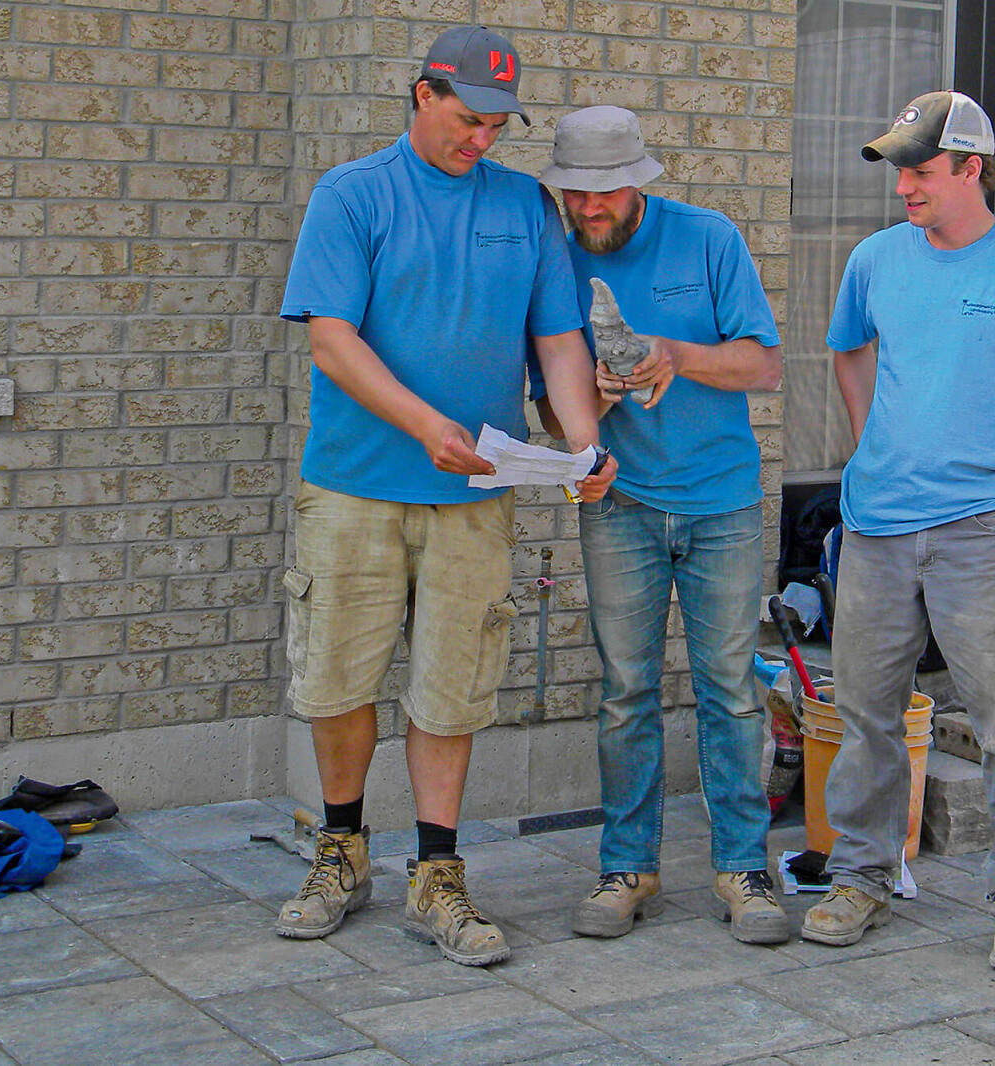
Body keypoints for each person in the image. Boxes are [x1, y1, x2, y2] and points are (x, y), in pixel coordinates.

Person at [275, 26, 614, 968]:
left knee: (451, 686)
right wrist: (427, 427)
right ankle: (340, 850)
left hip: (477, 497)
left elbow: (557, 342)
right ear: (422, 94)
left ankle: (437, 872)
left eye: (499, 124)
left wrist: (582, 445)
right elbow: (332, 340)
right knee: (339, 680)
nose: (483, 140)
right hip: (354, 487)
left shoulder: (526, 207)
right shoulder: (352, 195)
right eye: (469, 120)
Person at [800, 90, 995, 970]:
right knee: (865, 716)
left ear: (974, 168)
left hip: (977, 531)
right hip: (877, 527)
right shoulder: (877, 259)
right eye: (900, 173)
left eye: (922, 171)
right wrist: (867, 441)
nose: (906, 190)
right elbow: (848, 346)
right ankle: (860, 875)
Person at [534, 106, 791, 944]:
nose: (590, 209)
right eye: (576, 194)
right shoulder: (556, 255)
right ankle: (627, 868)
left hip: (720, 502)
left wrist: (676, 355)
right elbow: (543, 399)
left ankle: (743, 870)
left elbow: (764, 363)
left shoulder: (708, 239)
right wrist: (582, 408)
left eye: (606, 193)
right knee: (624, 693)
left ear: (637, 183)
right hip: (620, 504)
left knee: (730, 693)